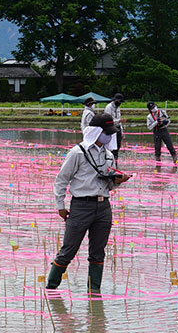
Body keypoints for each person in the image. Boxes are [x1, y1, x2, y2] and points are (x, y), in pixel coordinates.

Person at [46, 112, 130, 292]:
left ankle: (94, 294)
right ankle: (51, 289)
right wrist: (60, 207)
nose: (109, 136)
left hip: (103, 208)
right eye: (106, 132)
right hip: (81, 206)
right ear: (96, 131)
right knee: (68, 249)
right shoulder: (77, 152)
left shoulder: (108, 155)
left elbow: (108, 183)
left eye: (110, 133)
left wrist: (118, 180)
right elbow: (61, 180)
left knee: (98, 252)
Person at [103, 93, 125, 159]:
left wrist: (121, 132)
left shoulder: (118, 108)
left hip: (118, 128)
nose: (120, 103)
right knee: (111, 147)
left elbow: (119, 119)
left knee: (118, 146)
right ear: (115, 100)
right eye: (119, 101)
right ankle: (110, 160)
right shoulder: (108, 107)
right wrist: (119, 121)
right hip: (111, 128)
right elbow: (108, 120)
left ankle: (115, 160)